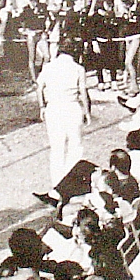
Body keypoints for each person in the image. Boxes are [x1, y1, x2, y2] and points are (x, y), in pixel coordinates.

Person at [35, 39, 90, 191]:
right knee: (75, 146)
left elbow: (39, 88)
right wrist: (87, 111)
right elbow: (83, 92)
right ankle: (71, 183)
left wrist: (42, 107)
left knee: (56, 148)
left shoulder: (49, 67)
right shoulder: (78, 68)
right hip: (72, 107)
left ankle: (57, 185)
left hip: (54, 108)